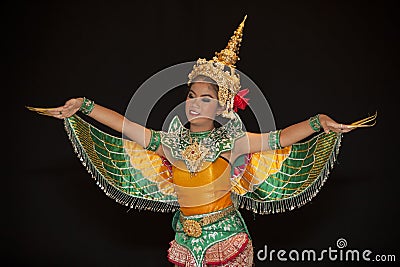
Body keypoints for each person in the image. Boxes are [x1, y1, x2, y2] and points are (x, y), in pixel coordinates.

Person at [27, 16, 375, 267]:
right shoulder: (171, 142)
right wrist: (84, 106)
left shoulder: (233, 140)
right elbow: (126, 125)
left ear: (223, 103)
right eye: (191, 95)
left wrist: (319, 123)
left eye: (205, 98)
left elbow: (279, 137)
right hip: (184, 242)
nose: (194, 103)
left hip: (227, 240)